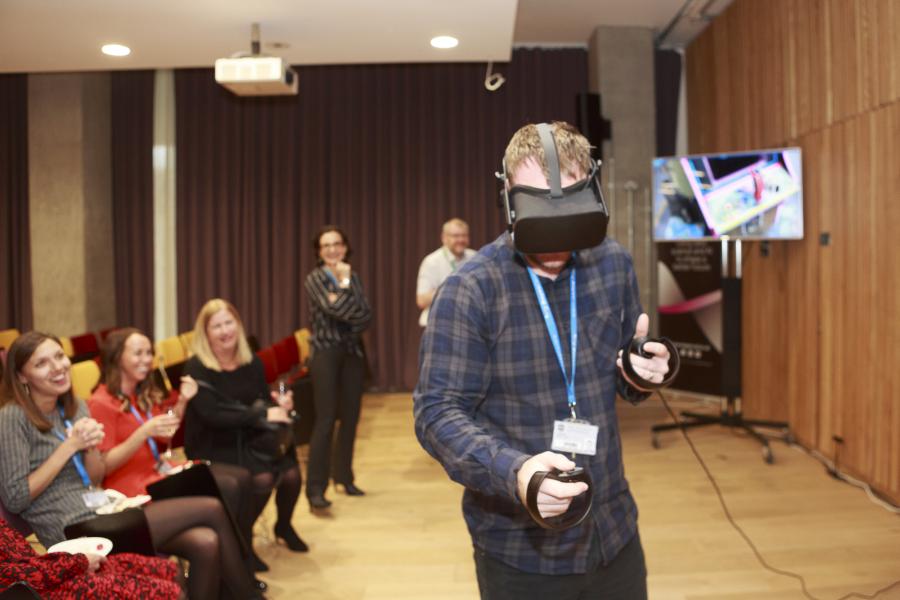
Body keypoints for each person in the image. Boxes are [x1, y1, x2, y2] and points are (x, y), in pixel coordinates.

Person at [413, 121, 671, 600]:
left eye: (570, 202)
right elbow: (436, 414)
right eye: (537, 203)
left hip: (612, 528)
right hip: (519, 547)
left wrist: (638, 372)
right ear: (507, 199)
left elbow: (622, 378)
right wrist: (515, 471)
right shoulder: (471, 290)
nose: (557, 226)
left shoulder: (613, 264)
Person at [0, 332, 260, 600]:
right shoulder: (12, 417)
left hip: (102, 510)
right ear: (21, 377)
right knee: (211, 507)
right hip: (72, 530)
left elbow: (94, 477)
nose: (57, 367)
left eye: (59, 356)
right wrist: (70, 446)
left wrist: (89, 448)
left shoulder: (75, 407)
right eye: (42, 363)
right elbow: (16, 497)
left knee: (205, 542)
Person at [87, 327, 266, 591]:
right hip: (128, 497)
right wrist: (142, 432)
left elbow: (162, 436)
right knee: (215, 503)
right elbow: (103, 468)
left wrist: (182, 401)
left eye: (149, 352)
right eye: (138, 353)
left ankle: (233, 582)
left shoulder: (137, 393)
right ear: (116, 358)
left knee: (207, 540)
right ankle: (245, 589)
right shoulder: (101, 402)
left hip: (153, 480)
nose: (147, 359)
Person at [182, 299, 306, 572]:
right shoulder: (197, 367)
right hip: (213, 442)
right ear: (205, 332)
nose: (225, 331)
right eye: (217, 326)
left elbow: (262, 400)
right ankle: (241, 541)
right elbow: (212, 415)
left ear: (238, 325)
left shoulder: (251, 362)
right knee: (260, 477)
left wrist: (278, 405)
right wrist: (261, 415)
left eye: (229, 323)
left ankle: (283, 526)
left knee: (292, 474)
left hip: (246, 434)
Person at [304, 225, 372, 510]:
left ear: (345, 247)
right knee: (326, 419)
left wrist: (344, 302)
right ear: (319, 252)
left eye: (336, 244)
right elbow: (339, 311)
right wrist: (344, 291)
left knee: (351, 418)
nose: (332, 250)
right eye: (326, 246)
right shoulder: (316, 278)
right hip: (325, 354)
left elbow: (365, 316)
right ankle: (316, 488)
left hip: (353, 353)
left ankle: (344, 476)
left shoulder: (353, 276)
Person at [0, 516, 184, 599]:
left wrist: (74, 562)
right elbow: (15, 577)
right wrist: (79, 562)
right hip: (37, 591)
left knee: (164, 569)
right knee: (167, 591)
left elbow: (25, 562)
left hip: (45, 576)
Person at [416, 218, 477, 327]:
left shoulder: (475, 257)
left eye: (464, 235)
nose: (461, 239)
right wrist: (451, 289)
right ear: (444, 238)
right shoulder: (432, 261)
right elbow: (421, 300)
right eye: (456, 236)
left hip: (468, 325)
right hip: (438, 325)